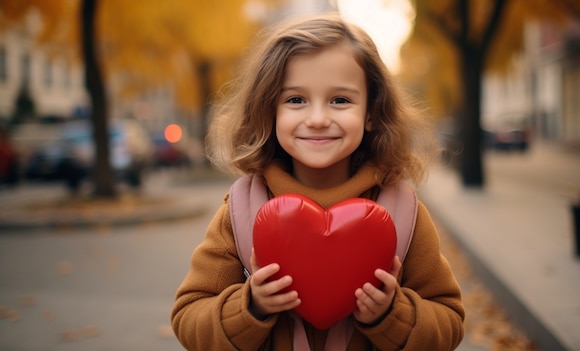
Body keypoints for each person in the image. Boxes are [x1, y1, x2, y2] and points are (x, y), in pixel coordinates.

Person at [171, 13, 465, 351]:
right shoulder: (241, 210)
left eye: (340, 100)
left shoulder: (401, 213)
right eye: (296, 100)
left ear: (371, 113)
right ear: (270, 110)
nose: (318, 119)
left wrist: (390, 314)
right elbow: (188, 316)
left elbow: (449, 321)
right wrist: (251, 304)